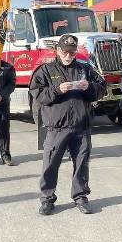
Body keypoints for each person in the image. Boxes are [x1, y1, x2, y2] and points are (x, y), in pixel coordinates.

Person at [29, 34, 106, 216]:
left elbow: (102, 88)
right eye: (64, 52)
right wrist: (56, 90)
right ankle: (47, 199)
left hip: (81, 126)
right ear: (57, 51)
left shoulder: (85, 69)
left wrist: (90, 88)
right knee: (50, 164)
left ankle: (80, 197)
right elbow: (36, 93)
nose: (68, 56)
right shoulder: (45, 70)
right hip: (57, 127)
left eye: (72, 53)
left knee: (81, 163)